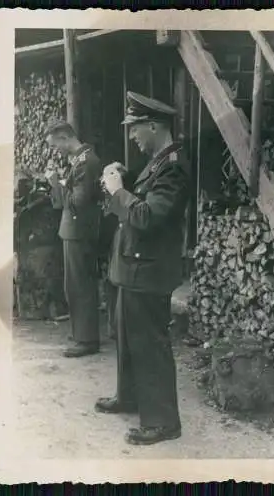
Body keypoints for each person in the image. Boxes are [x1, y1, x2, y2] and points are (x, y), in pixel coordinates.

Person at [96, 91, 191, 446]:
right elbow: (144, 199)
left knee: (149, 343)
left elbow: (148, 217)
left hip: (149, 272)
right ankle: (130, 396)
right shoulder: (159, 162)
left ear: (153, 126)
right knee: (126, 335)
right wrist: (124, 179)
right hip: (134, 268)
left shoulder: (174, 166)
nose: (132, 136)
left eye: (136, 129)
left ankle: (164, 422)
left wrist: (119, 191)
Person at [44, 119, 102, 358]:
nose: (54, 149)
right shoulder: (80, 160)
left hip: (79, 231)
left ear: (64, 137)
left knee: (80, 284)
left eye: (54, 144)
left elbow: (78, 201)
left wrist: (56, 184)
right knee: (75, 284)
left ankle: (87, 339)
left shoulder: (86, 162)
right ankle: (81, 332)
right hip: (75, 230)